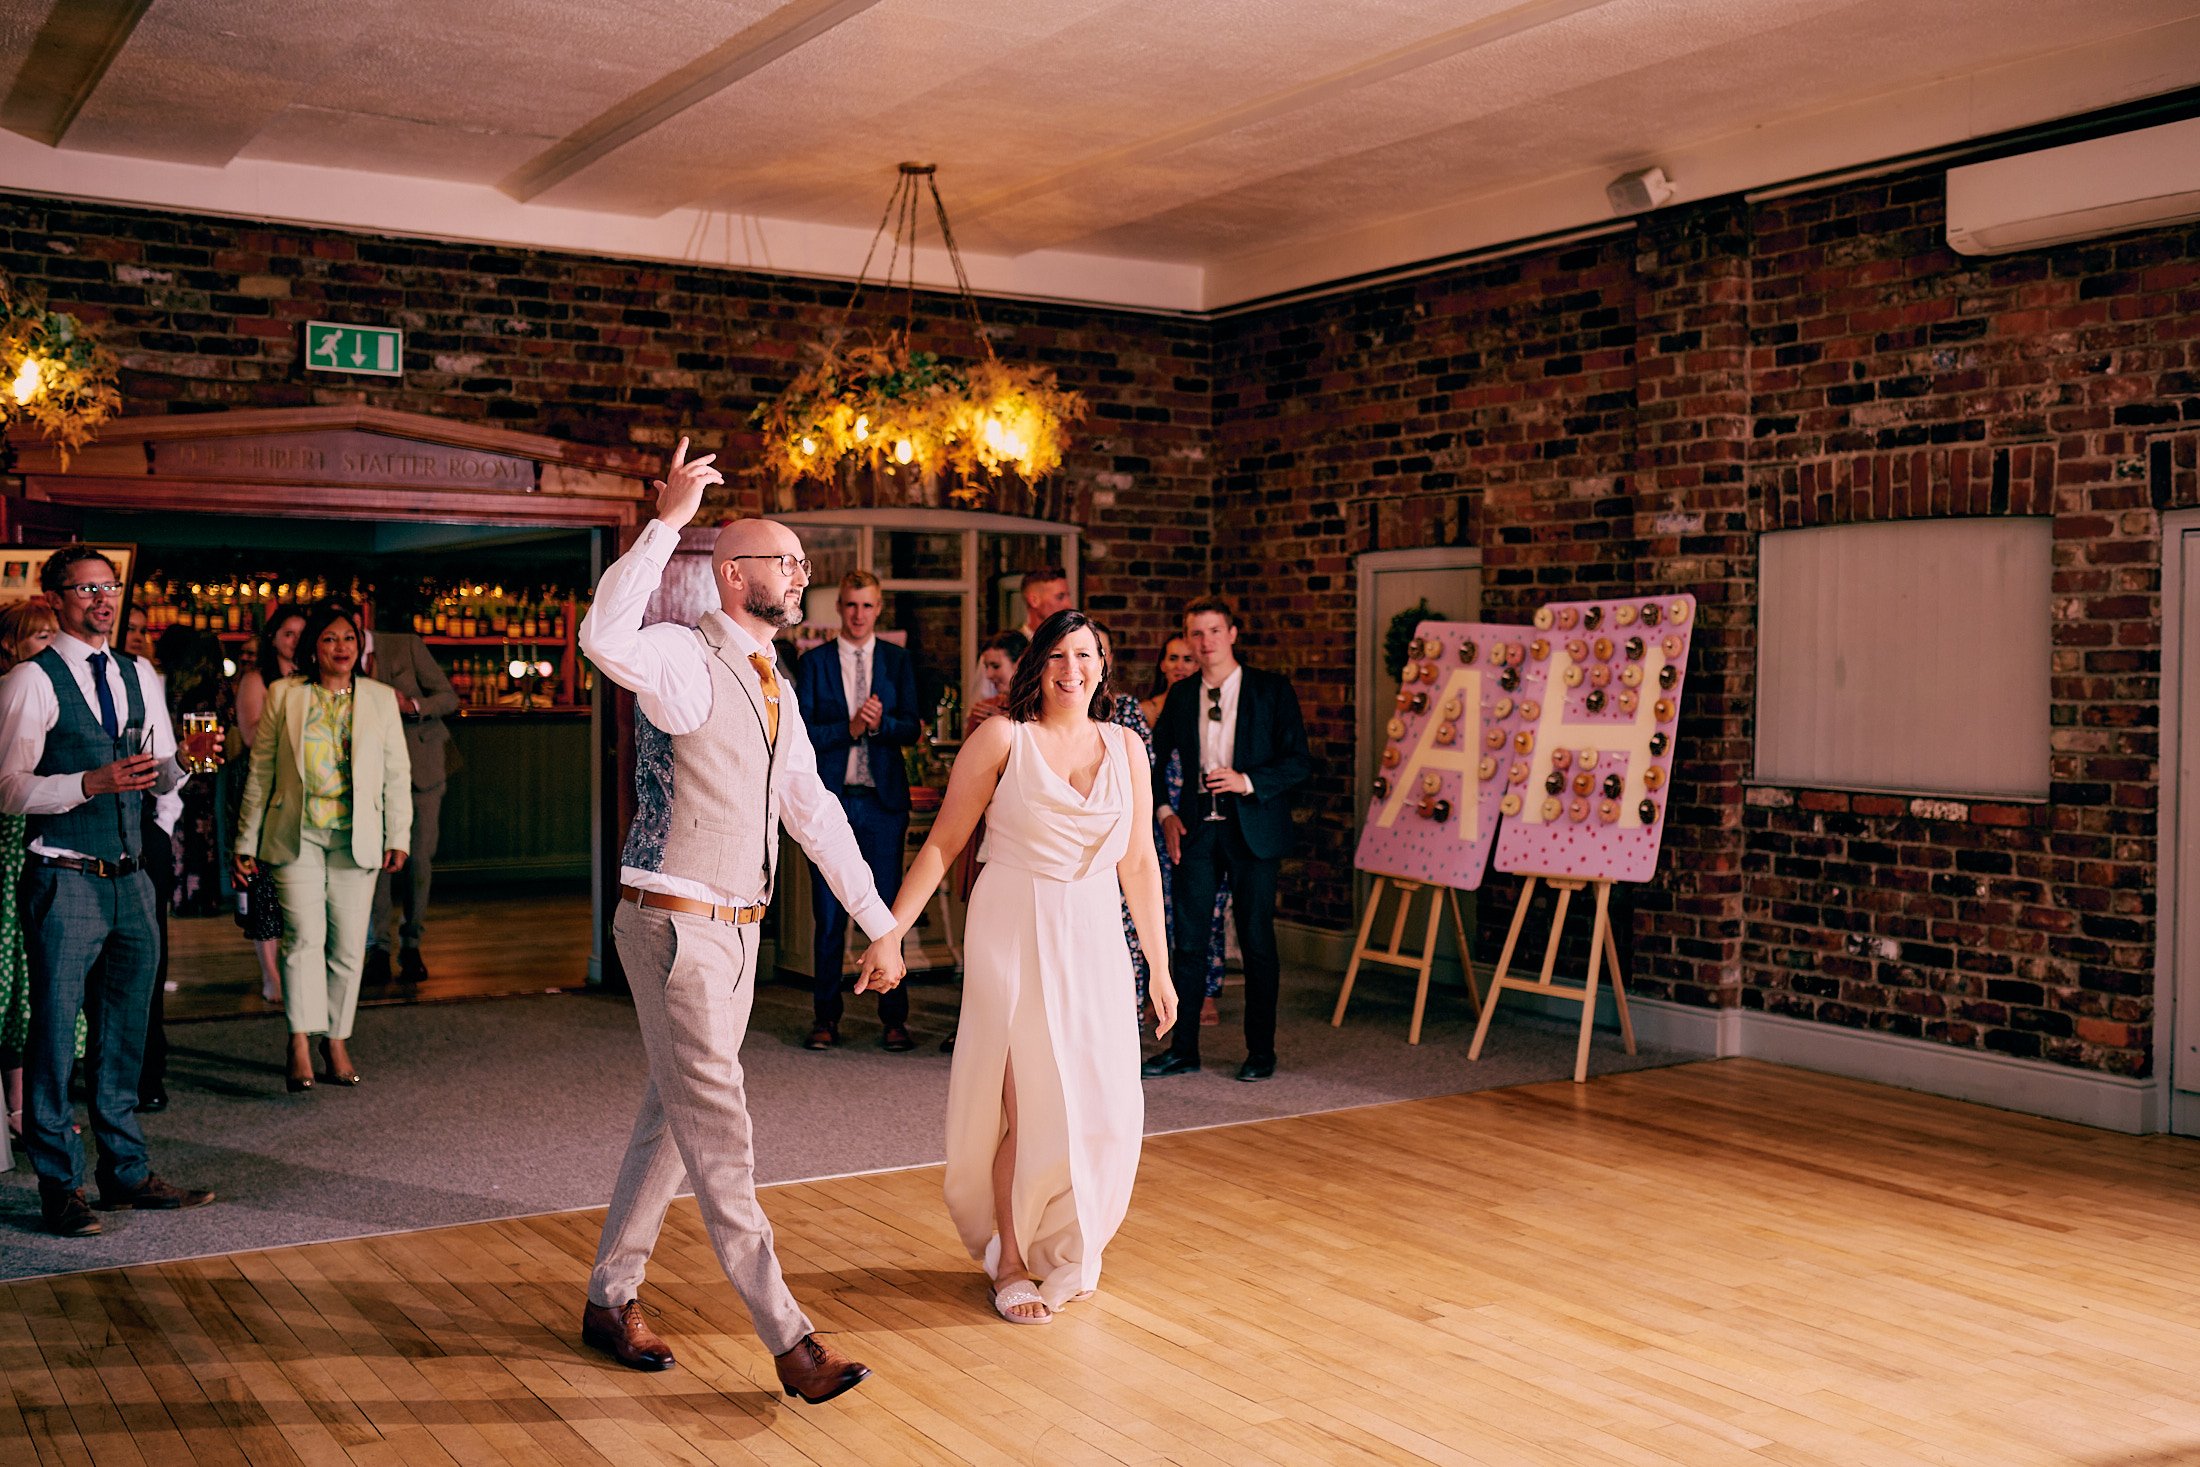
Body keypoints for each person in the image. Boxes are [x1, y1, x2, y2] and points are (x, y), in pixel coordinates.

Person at [574, 437, 904, 1403]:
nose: (803, 572)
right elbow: (604, 637)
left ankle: (608, 1297)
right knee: (721, 1129)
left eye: (804, 560)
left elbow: (811, 806)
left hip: (739, 930)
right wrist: (667, 522)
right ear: (731, 571)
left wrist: (879, 923)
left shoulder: (776, 678)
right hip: (675, 925)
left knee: (673, 1120)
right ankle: (791, 1339)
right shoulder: (681, 654)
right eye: (786, 559)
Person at [871, 609, 1176, 1325]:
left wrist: (1158, 969)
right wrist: (891, 934)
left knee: (1106, 1104)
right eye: (1060, 656)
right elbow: (946, 843)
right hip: (1014, 929)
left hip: (1097, 935)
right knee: (1027, 1103)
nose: (1073, 670)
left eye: (1087, 656)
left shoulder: (1128, 745)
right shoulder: (1003, 739)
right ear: (1038, 664)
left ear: (1103, 666)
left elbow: (1138, 863)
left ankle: (1062, 1239)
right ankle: (1009, 1259)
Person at [0, 545, 222, 1236]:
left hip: (129, 878)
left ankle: (125, 1171)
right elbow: (7, 789)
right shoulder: (29, 683)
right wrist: (86, 784)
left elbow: (155, 773)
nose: (103, 598)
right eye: (87, 587)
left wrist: (187, 764)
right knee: (54, 1035)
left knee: (126, 1033)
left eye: (111, 585)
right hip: (63, 874)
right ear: (58, 596)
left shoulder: (137, 670)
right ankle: (58, 1183)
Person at [233, 602, 411, 1093]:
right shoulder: (285, 696)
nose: (341, 648)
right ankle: (297, 1039)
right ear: (314, 647)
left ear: (360, 646)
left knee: (350, 945)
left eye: (349, 639)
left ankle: (335, 1038)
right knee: (303, 940)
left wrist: (399, 835)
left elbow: (397, 774)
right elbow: (261, 773)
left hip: (358, 837)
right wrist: (246, 840)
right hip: (297, 836)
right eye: (330, 639)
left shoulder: (378, 699)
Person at [1142, 596, 1310, 1083]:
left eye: (1214, 631)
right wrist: (1166, 811)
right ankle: (1183, 1048)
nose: (1205, 642)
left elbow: (1298, 762)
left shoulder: (1271, 691)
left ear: (1232, 634)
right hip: (1196, 831)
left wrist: (1248, 781)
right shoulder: (1181, 693)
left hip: (1252, 828)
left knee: (1257, 940)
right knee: (1189, 942)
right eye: (1197, 633)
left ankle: (1261, 1051)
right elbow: (1153, 762)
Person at [793, 571, 921, 1052]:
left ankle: (894, 1020)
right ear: (839, 608)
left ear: (878, 608)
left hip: (883, 806)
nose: (859, 614)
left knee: (890, 917)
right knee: (828, 920)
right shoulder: (815, 662)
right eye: (850, 606)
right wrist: (847, 728)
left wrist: (880, 724)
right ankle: (825, 1019)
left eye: (867, 606)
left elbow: (910, 727)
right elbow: (800, 736)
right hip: (832, 805)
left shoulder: (897, 661)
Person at [362, 592, 459, 987]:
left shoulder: (403, 644)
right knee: (375, 862)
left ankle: (412, 944)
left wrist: (413, 706)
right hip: (370, 774)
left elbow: (449, 698)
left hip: (421, 769)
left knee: (419, 860)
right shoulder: (334, 659)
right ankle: (377, 949)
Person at [0, 598, 63, 1149]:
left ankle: (24, 1105)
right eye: (36, 636)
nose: (48, 644)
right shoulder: (15, 689)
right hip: (6, 843)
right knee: (8, 972)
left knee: (29, 973)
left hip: (32, 845)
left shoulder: (54, 692)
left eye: (52, 635)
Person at [1146, 637, 1228, 1028]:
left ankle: (1206, 992)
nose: (1180, 664)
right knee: (1158, 907)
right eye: (1173, 657)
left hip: (1201, 821)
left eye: (1188, 658)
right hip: (1157, 820)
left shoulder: (1208, 706)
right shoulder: (1143, 710)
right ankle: (1158, 991)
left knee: (1207, 911)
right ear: (1161, 663)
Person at [234, 604, 305, 1005]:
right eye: (287, 633)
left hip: (308, 792)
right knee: (265, 885)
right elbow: (251, 737)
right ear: (274, 639)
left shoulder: (316, 680)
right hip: (268, 789)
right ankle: (271, 974)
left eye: (301, 633)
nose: (294, 641)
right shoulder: (257, 679)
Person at [1016, 565, 1072, 641]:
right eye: (1060, 597)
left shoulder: (1069, 641)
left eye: (1068, 596)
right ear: (1034, 601)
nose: (1068, 605)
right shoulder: (1014, 646)